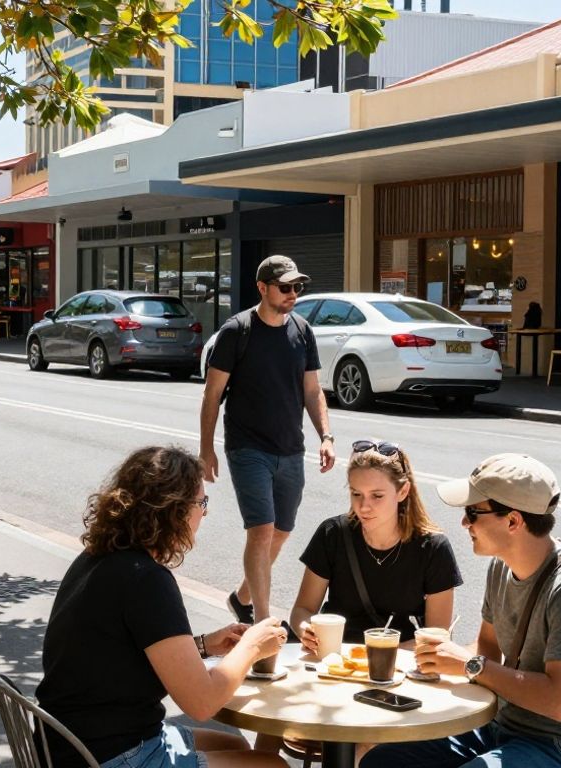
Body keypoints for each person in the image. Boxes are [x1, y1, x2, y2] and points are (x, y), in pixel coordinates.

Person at [362, 453, 561, 768]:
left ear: (513, 521)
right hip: (505, 724)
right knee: (384, 760)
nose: (464, 523)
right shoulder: (501, 568)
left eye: (472, 513)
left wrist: (471, 665)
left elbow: (559, 703)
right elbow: (487, 648)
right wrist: (434, 660)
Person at [37, 446, 290, 768]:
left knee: (235, 744)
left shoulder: (99, 558)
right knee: (272, 766)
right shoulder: (147, 580)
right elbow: (202, 702)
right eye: (202, 503)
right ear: (175, 510)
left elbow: (123, 653)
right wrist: (252, 647)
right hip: (107, 754)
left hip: (69, 742)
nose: (205, 513)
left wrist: (202, 645)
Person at [199, 255, 334, 670]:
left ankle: (241, 597)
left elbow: (312, 391)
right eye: (285, 288)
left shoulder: (302, 331)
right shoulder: (236, 332)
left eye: (297, 288)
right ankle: (261, 620)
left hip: (290, 449)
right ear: (262, 288)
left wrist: (325, 436)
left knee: (282, 531)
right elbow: (212, 395)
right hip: (247, 448)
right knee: (261, 531)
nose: (293, 295)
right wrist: (207, 448)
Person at [290, 440, 461, 650]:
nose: (363, 506)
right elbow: (303, 609)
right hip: (335, 655)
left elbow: (438, 636)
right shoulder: (332, 534)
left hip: (401, 660)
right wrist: (306, 630)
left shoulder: (434, 548)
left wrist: (375, 656)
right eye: (356, 494)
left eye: (377, 496)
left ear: (403, 491)